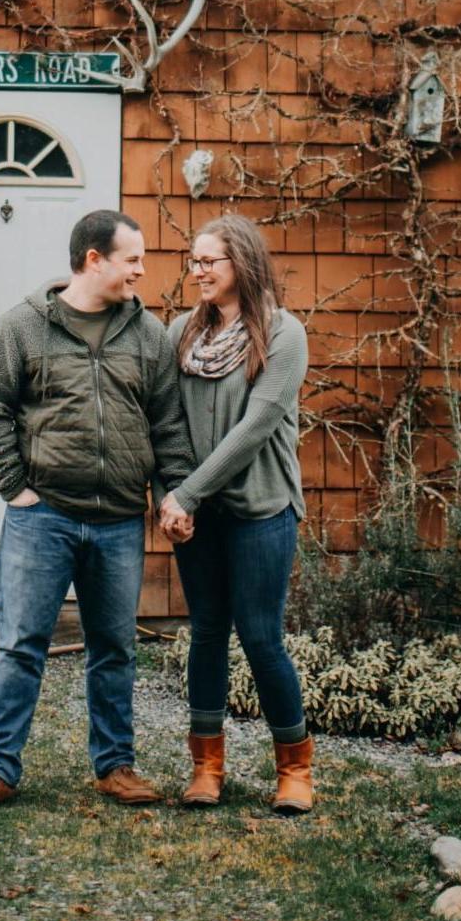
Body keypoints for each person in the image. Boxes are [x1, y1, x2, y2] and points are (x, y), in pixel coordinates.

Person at [0, 208, 198, 813]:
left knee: (114, 647)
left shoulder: (147, 336)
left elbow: (167, 424)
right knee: (20, 644)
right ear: (95, 259)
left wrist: (177, 492)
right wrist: (14, 486)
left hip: (118, 519)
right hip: (44, 517)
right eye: (132, 259)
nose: (142, 270)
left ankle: (115, 766)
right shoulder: (24, 328)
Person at [157, 212, 315, 813]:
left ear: (240, 263)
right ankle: (206, 768)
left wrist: (187, 493)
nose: (196, 271)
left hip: (261, 511)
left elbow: (255, 429)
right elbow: (166, 424)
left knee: (260, 636)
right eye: (192, 261)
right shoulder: (180, 334)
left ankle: (294, 768)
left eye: (208, 261)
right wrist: (172, 496)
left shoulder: (283, 334)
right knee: (205, 635)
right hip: (195, 516)